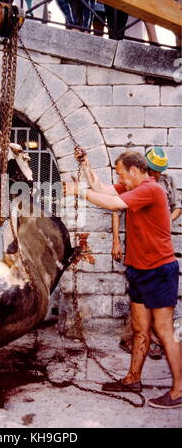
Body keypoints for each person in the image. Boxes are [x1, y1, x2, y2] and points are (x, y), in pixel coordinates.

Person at [71, 148, 181, 409]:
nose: (120, 179)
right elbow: (104, 189)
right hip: (138, 268)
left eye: (121, 173)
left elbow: (113, 203)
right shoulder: (132, 185)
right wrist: (86, 165)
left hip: (159, 269)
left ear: (134, 171)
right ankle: (133, 379)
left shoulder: (152, 189)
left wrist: (78, 192)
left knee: (163, 330)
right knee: (140, 329)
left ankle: (178, 391)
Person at [113, 147, 182, 360]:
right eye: (153, 170)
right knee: (141, 314)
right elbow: (115, 207)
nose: (156, 175)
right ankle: (135, 348)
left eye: (159, 172)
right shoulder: (136, 184)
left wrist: (163, 220)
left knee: (160, 320)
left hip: (156, 257)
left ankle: (177, 385)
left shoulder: (162, 184)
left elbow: (176, 206)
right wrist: (116, 240)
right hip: (139, 255)